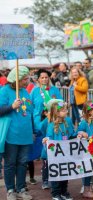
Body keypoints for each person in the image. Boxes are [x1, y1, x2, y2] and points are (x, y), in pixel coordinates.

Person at [0, 66, 33, 200]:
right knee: (10, 163)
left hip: (25, 134)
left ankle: (21, 189)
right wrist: (11, 107)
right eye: (25, 79)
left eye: (27, 78)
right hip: (10, 134)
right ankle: (10, 190)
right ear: (17, 79)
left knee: (22, 163)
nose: (27, 81)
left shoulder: (25, 92)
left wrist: (34, 130)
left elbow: (29, 112)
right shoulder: (4, 91)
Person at [30, 69, 63, 190]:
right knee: (44, 152)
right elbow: (31, 108)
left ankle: (54, 177)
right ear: (38, 79)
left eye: (46, 77)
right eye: (42, 77)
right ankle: (45, 179)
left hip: (53, 124)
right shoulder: (34, 91)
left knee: (53, 150)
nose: (44, 79)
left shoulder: (54, 90)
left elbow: (60, 103)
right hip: (40, 124)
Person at [43, 99, 75, 200]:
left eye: (66, 109)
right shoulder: (51, 125)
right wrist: (46, 139)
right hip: (55, 156)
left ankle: (64, 192)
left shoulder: (67, 123)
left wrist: (78, 135)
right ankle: (56, 193)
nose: (66, 111)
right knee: (56, 174)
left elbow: (71, 135)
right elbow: (49, 137)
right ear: (57, 112)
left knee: (65, 173)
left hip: (65, 154)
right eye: (64, 110)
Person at [76, 100, 93, 198]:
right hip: (87, 151)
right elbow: (78, 132)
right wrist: (82, 133)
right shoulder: (84, 122)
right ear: (88, 112)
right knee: (87, 169)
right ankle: (86, 188)